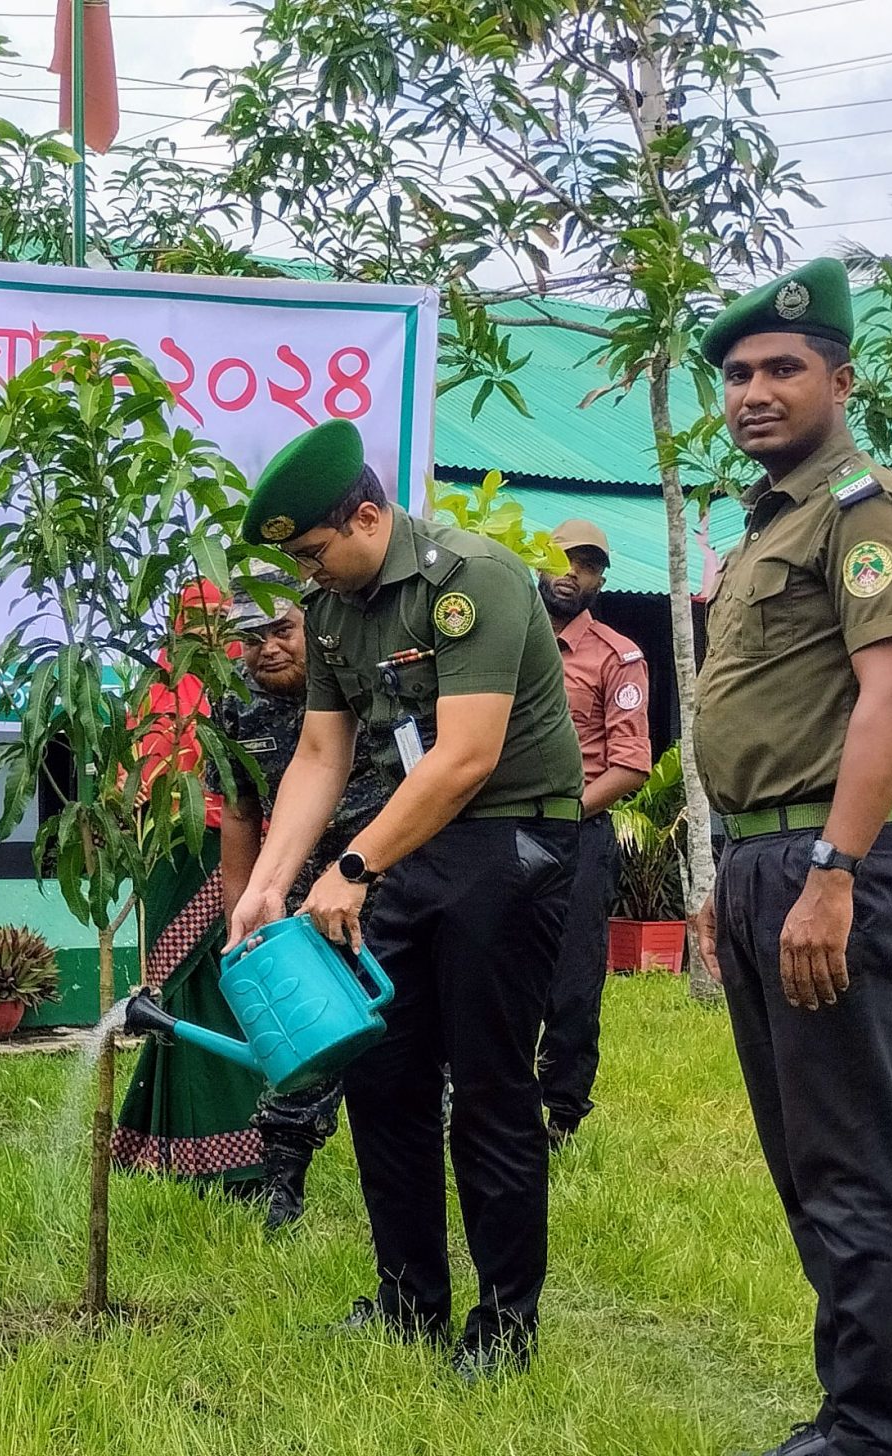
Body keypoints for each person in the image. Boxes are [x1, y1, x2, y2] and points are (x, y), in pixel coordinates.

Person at [226, 418, 585, 1379]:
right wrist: (269, 886)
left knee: (491, 1092)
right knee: (385, 1078)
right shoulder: (335, 608)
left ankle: (505, 1327)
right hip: (406, 841)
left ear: (369, 515)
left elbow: (466, 757)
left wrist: (354, 867)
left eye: (315, 551)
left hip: (509, 841)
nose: (310, 577)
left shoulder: (472, 580)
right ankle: (408, 1302)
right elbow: (319, 753)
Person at [691, 258, 892, 1456]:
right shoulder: (767, 524)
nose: (753, 390)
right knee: (806, 1161)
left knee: (849, 1162)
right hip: (763, 862)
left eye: (782, 368)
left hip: (823, 859)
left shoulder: (863, 512)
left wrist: (831, 871)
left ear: (839, 379)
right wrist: (731, 877)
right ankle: (850, 1410)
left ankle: (875, 1435)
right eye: (736, 373)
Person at [216, 579, 394, 1234]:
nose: (266, 648)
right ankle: (283, 1184)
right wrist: (242, 909)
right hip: (296, 887)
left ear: (309, 625)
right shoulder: (233, 698)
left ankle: (424, 1169)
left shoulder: (358, 677)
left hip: (388, 872)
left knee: (407, 1028)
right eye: (251, 637)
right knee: (302, 1028)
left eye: (280, 631)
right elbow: (238, 807)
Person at [112, 583, 269, 1196]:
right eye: (195, 621)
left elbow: (250, 782)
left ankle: (236, 1149)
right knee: (175, 997)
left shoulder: (241, 684)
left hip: (224, 847)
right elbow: (134, 768)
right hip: (168, 852)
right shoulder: (155, 686)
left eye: (218, 620)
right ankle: (173, 1145)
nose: (208, 633)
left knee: (219, 988)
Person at [534, 518, 652, 1148]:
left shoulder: (617, 656)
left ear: (599, 578)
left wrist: (561, 812)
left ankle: (561, 1113)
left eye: (584, 564)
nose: (568, 571)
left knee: (573, 979)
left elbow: (630, 765)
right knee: (492, 967)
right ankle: (493, 1096)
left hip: (578, 835)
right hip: (502, 832)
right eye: (557, 558)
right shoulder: (505, 642)